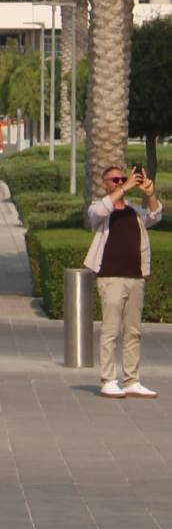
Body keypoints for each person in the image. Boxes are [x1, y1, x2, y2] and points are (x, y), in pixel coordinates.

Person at [86, 163, 163, 397]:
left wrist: (149, 194)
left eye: (123, 179)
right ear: (105, 184)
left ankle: (131, 380)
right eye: (116, 180)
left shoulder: (133, 211)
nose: (120, 183)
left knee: (133, 332)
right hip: (110, 278)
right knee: (110, 330)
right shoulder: (98, 209)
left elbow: (155, 215)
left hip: (135, 278)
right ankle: (108, 379)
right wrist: (127, 187)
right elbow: (100, 211)